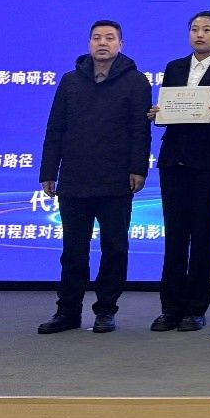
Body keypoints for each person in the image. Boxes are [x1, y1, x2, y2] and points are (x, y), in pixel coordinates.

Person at [38, 20, 151, 334]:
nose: (103, 43)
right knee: (73, 251)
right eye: (97, 37)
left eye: (110, 38)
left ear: (120, 44)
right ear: (89, 43)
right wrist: (48, 171)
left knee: (115, 249)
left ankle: (106, 310)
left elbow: (140, 131)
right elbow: (55, 129)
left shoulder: (136, 81)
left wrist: (138, 169)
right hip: (74, 178)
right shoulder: (70, 81)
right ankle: (67, 312)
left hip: (116, 179)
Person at [147, 11, 210, 333]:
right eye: (194, 29)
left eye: (207, 29)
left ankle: (196, 308)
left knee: (203, 236)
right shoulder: (174, 67)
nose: (199, 34)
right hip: (174, 161)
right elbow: (168, 110)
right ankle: (170, 309)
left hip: (207, 163)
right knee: (175, 236)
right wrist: (158, 113)